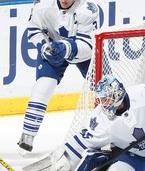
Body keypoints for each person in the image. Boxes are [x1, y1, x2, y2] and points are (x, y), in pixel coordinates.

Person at [22, 75, 145, 171]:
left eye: (107, 98)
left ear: (117, 94)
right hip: (135, 155)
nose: (103, 103)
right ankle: (105, 161)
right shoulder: (100, 119)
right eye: (101, 99)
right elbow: (78, 144)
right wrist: (59, 163)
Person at [17, 0, 99, 154]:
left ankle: (116, 132)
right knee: (42, 87)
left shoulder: (88, 9)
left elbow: (87, 46)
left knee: (105, 89)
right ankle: (27, 137)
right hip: (52, 48)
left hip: (81, 53)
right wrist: (43, 47)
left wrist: (66, 48)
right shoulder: (41, 5)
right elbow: (33, 29)